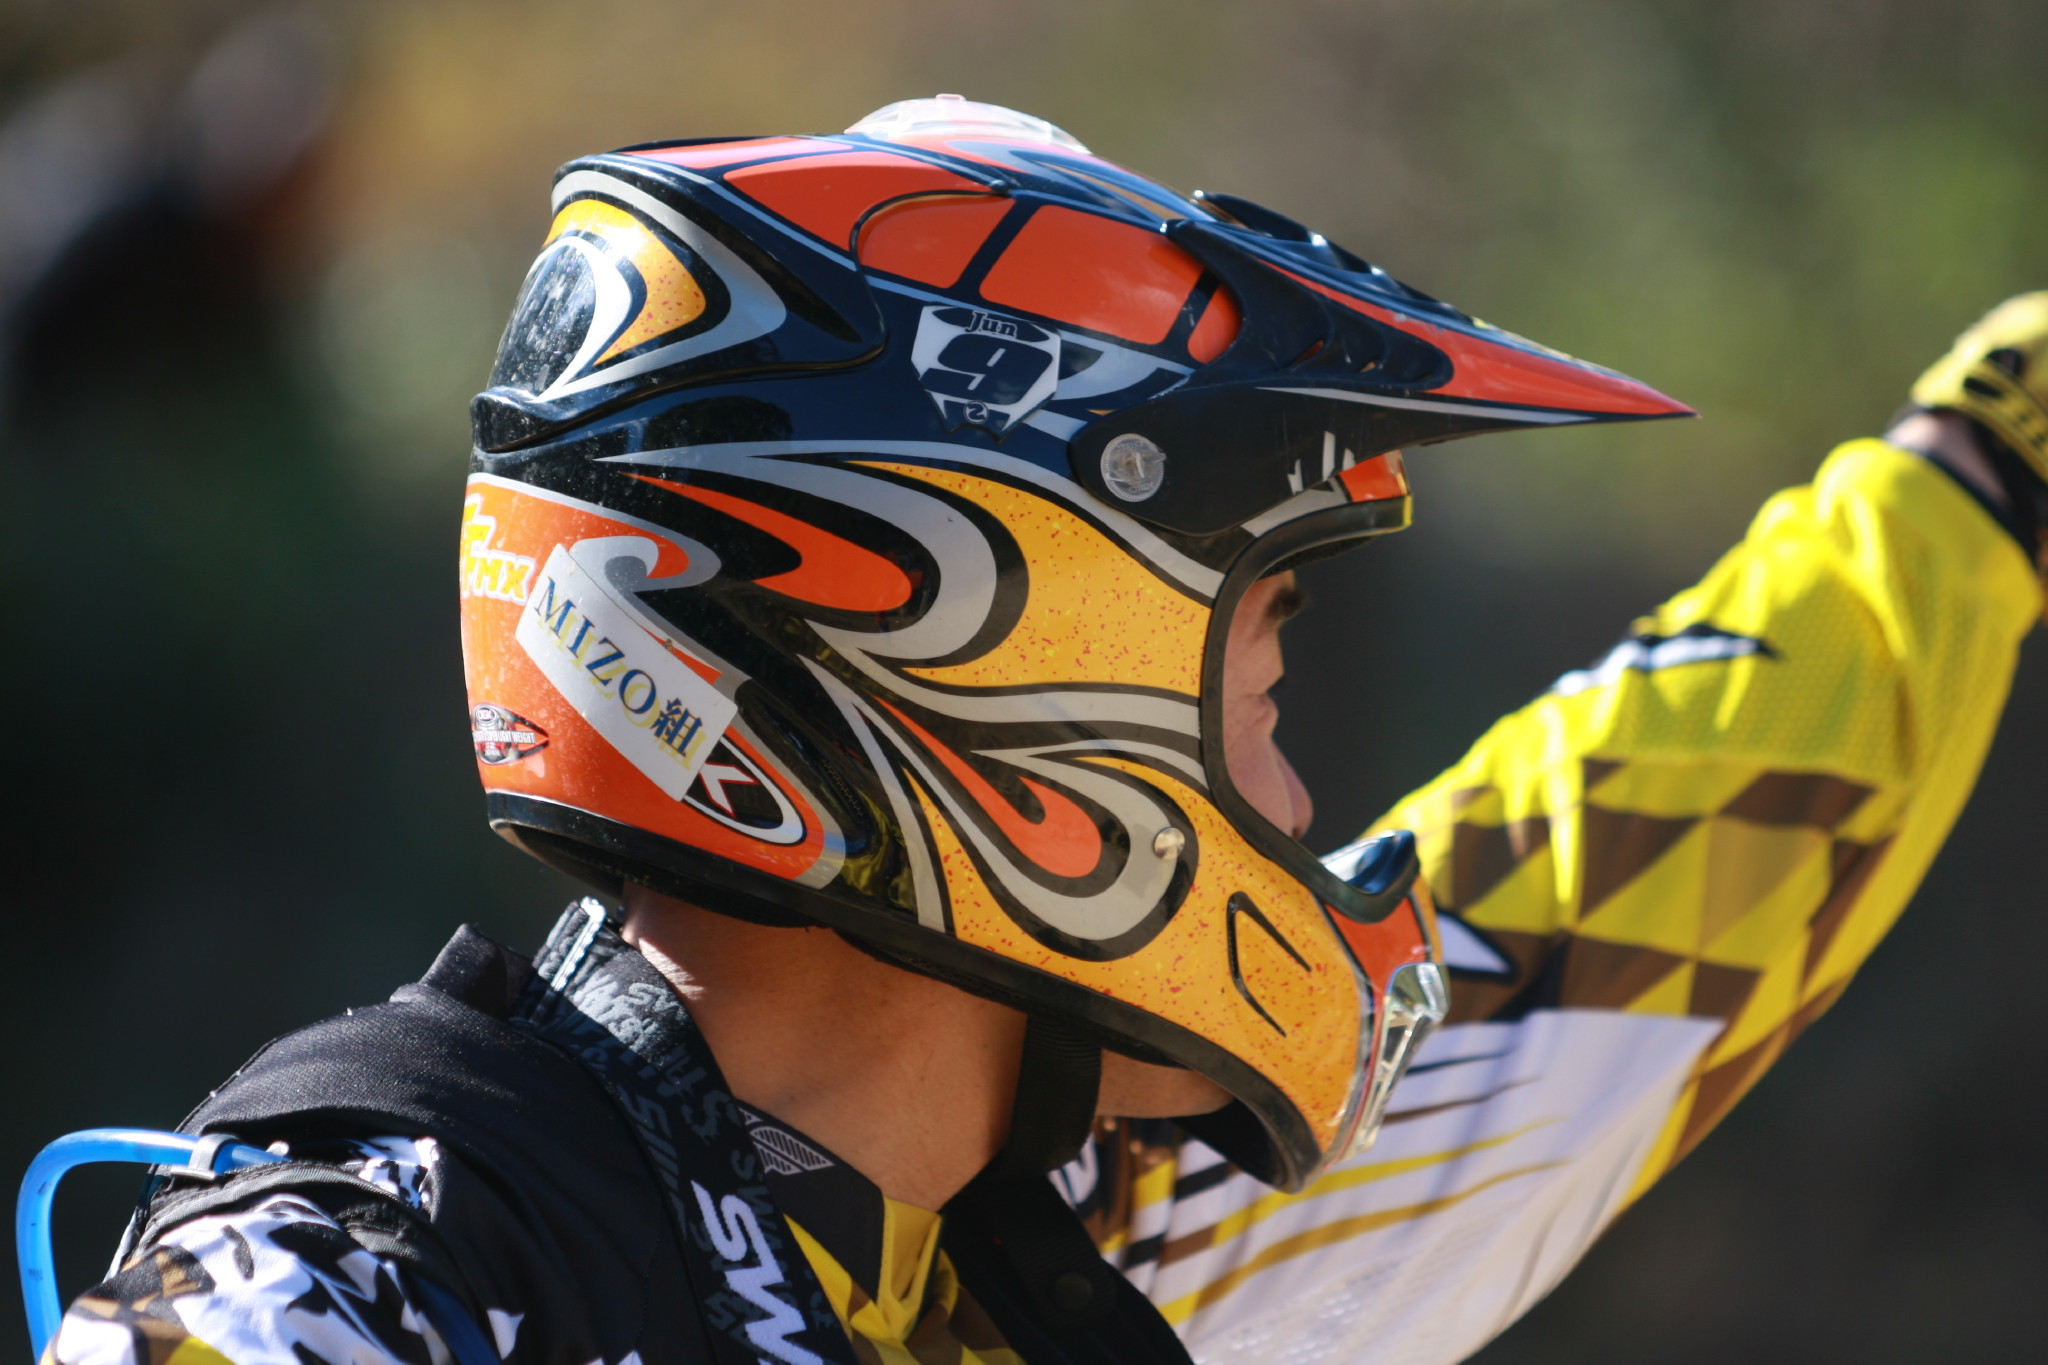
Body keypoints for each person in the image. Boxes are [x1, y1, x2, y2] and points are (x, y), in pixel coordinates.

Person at [43, 97, 2046, 1365]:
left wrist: (1989, 470)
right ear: (991, 675)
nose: (1298, 804)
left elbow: (1643, 827)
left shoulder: (1077, 1218)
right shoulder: (356, 1282)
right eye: (1258, 697)